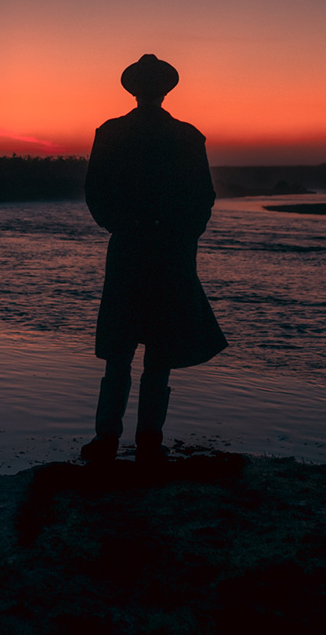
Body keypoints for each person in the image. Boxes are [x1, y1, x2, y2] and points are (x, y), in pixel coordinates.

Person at [80, 54, 226, 466]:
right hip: (167, 252)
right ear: (164, 90)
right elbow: (203, 199)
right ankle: (146, 441)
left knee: (120, 351)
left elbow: (96, 194)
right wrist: (181, 236)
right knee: (155, 352)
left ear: (135, 89)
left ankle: (109, 439)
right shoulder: (185, 136)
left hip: (133, 248)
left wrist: (122, 227)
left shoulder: (112, 133)